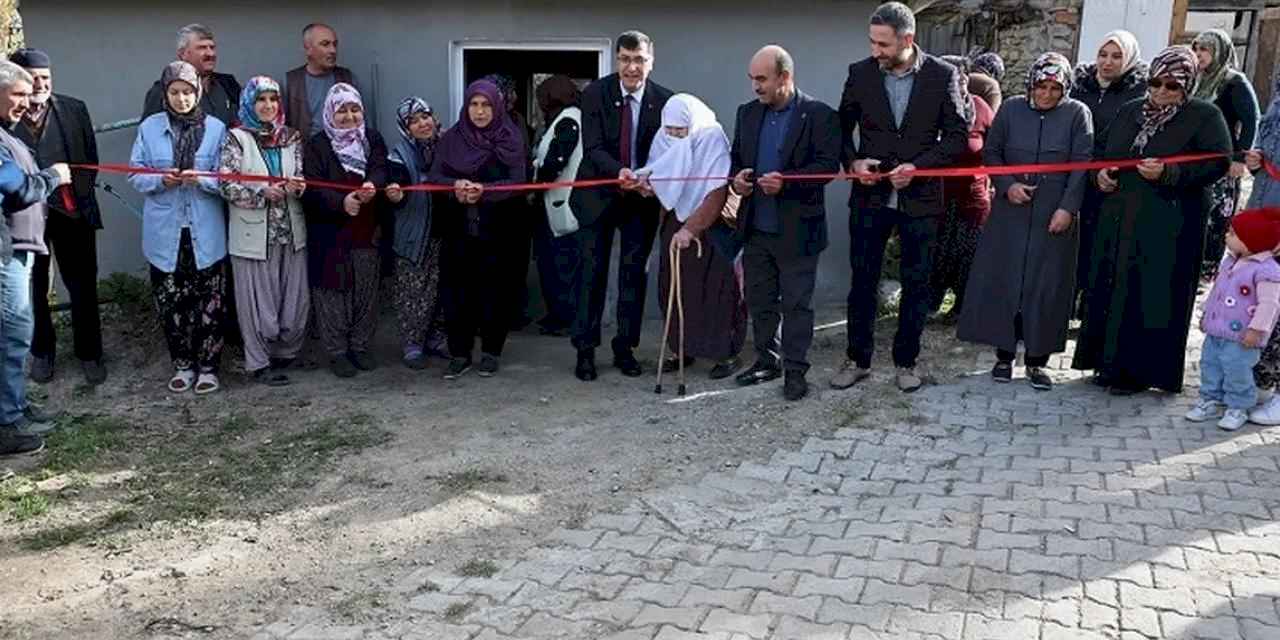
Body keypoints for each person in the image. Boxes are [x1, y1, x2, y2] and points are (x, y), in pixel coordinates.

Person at [1073, 45, 1232, 395]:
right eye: (1155, 83)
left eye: (1172, 86)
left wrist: (1170, 173)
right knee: (1113, 287)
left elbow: (1218, 161)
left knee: (1151, 294)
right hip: (1119, 218)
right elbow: (1102, 151)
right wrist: (1100, 174)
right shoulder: (1131, 110)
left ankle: (1138, 373)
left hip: (1169, 224)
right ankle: (1106, 363)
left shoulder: (1204, 116)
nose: (1161, 91)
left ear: (1187, 85)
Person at [832, 1, 969, 393]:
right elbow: (839, 129)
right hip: (869, 197)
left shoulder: (943, 75)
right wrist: (853, 162)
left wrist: (919, 167)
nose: (875, 51)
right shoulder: (859, 73)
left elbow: (957, 137)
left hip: (920, 199)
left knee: (917, 283)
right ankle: (857, 359)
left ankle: (906, 362)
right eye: (872, 42)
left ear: (908, 40)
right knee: (863, 280)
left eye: (883, 44)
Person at [958, 52, 1093, 391]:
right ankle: (1003, 356)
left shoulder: (1077, 114)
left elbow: (1082, 164)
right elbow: (992, 152)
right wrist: (1008, 186)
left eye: (1055, 88)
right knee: (1006, 282)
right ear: (1030, 84)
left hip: (1053, 214)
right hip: (1011, 213)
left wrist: (1067, 208)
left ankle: (1037, 361)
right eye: (1041, 86)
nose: (1046, 94)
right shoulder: (1011, 109)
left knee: (1045, 287)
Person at [729, 45, 841, 401]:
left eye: (762, 79)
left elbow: (827, 167)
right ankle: (767, 361)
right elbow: (735, 159)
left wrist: (787, 182)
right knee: (759, 301)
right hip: (756, 229)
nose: (755, 86)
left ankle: (795, 371)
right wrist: (737, 180)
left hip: (798, 231)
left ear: (785, 77)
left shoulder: (819, 115)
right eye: (752, 78)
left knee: (796, 305)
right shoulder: (747, 113)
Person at [569, 31, 673, 381]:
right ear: (617, 61)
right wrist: (620, 172)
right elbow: (593, 147)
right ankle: (585, 350)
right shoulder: (594, 94)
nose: (632, 68)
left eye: (639, 60)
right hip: (597, 195)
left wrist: (649, 179)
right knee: (591, 273)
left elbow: (670, 152)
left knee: (634, 273)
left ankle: (625, 348)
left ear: (651, 61)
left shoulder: (665, 101)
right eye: (625, 59)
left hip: (640, 200)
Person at [129, 61, 229, 395]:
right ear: (165, 94)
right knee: (171, 303)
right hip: (165, 233)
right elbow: (134, 174)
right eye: (175, 92)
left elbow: (228, 177)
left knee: (210, 301)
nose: (182, 98)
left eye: (187, 91)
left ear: (197, 91)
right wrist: (161, 180)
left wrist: (202, 179)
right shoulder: (149, 128)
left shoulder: (216, 129)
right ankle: (183, 365)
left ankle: (209, 368)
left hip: (205, 230)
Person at [8, 48, 106, 386]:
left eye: (46, 78)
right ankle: (42, 352)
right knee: (33, 289)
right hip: (24, 218)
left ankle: (90, 353)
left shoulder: (74, 109)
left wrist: (76, 198)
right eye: (33, 78)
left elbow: (89, 159)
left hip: (72, 213)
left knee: (82, 285)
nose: (41, 84)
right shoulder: (6, 116)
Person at [640, 93, 746, 380]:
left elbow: (716, 190)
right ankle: (681, 349)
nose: (675, 135)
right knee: (674, 287)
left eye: (681, 130)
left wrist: (692, 228)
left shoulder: (710, 137)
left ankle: (725, 353)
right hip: (674, 220)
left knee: (714, 292)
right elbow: (660, 174)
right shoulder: (663, 137)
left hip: (711, 225)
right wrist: (647, 185)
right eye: (670, 129)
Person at [429, 79, 528, 379]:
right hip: (458, 230)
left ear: (497, 107)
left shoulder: (510, 138)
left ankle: (491, 352)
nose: (480, 111)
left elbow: (518, 181)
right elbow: (434, 177)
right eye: (474, 104)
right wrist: (455, 186)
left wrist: (486, 191)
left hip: (499, 231)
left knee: (495, 292)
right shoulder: (451, 139)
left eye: (486, 105)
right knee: (457, 293)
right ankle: (459, 354)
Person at [0, 60, 72, 456]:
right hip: (5, 253)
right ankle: (6, 424)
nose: (27, 103)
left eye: (30, 95)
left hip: (20, 250)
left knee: (16, 335)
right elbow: (17, 188)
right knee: (10, 337)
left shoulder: (6, 135)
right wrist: (52, 177)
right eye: (19, 94)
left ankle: (14, 408)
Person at [218, 76, 309, 386]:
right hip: (253, 235)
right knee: (257, 302)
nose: (268, 106)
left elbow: (300, 175)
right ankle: (259, 362)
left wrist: (298, 186)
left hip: (290, 231)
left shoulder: (291, 136)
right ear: (249, 103)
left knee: (292, 298)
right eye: (261, 100)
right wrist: (261, 193)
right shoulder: (236, 138)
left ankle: (285, 354)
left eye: (273, 99)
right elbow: (226, 184)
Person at [301, 83, 389, 378]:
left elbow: (380, 167)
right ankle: (337, 352)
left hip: (366, 232)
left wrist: (371, 184)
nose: (350, 117)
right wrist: (341, 202)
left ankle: (360, 347)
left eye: (355, 110)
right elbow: (311, 187)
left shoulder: (371, 139)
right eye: (342, 111)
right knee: (332, 294)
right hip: (331, 235)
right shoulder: (317, 146)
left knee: (366, 293)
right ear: (330, 113)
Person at [1069, 30, 1148, 317]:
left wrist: (1107, 170)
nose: (1108, 62)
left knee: (1103, 247)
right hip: (1076, 173)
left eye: (1116, 56)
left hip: (1114, 179)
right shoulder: (1080, 85)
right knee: (1073, 244)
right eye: (1103, 55)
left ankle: (1091, 311)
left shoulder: (1139, 91)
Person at [1186, 209, 1280, 431]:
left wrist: (1257, 330)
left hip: (1243, 336)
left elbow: (1270, 305)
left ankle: (1238, 406)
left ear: (1251, 240)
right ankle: (1210, 399)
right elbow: (1217, 291)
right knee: (1210, 365)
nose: (1226, 236)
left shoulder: (1267, 270)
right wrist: (1206, 313)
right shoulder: (1229, 262)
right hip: (1217, 330)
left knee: (1237, 370)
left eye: (1233, 234)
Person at [930, 54, 994, 320]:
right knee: (936, 252)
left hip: (973, 199)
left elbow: (996, 148)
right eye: (951, 79)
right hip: (936, 197)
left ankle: (963, 308)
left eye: (962, 77)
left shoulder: (980, 107)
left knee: (969, 254)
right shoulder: (929, 108)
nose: (958, 83)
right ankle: (930, 304)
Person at [1193, 28, 1261, 279]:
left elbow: (1251, 120)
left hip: (1223, 162)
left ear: (1219, 52)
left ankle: (1208, 271)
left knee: (1217, 217)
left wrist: (1239, 158)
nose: (1198, 54)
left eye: (1205, 49)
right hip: (1195, 160)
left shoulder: (1233, 82)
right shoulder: (1197, 79)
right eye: (1196, 49)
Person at [388, 97, 448, 369]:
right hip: (414, 236)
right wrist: (396, 194)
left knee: (440, 289)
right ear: (406, 127)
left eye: (425, 116)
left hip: (444, 233)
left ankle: (436, 338)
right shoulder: (399, 154)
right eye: (414, 121)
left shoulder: (447, 147)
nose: (423, 124)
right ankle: (412, 344)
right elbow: (396, 186)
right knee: (413, 292)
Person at [531, 75, 583, 337]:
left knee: (560, 264)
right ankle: (559, 315)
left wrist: (535, 183)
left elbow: (555, 161)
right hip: (557, 202)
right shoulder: (567, 118)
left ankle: (564, 318)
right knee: (558, 263)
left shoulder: (568, 121)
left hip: (560, 203)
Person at [484, 73, 536, 331]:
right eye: (509, 92)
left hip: (516, 203)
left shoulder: (517, 121)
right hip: (489, 205)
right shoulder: (480, 126)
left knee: (515, 262)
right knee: (491, 264)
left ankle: (513, 313)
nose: (513, 97)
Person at [1244, 75, 1280, 425]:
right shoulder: (1277, 97)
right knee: (1263, 304)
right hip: (1266, 208)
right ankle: (1262, 381)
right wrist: (1257, 163)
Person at [142, 24, 240, 126]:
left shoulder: (228, 84)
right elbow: (150, 131)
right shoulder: (163, 91)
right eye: (202, 48)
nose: (210, 53)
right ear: (182, 54)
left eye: (212, 47)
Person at [285, 23, 360, 138]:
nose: (333, 50)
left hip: (342, 146)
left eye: (335, 44)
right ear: (308, 49)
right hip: (304, 148)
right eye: (325, 44)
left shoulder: (347, 79)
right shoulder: (290, 82)